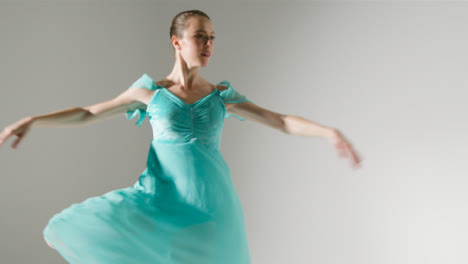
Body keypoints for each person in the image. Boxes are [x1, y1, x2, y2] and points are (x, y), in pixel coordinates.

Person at [0, 9, 362, 264]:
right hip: (162, 203)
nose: (208, 44)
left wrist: (328, 132)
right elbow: (88, 112)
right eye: (200, 36)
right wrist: (34, 119)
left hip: (212, 206)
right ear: (176, 41)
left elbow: (280, 121)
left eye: (212, 38)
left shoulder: (222, 95)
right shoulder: (150, 93)